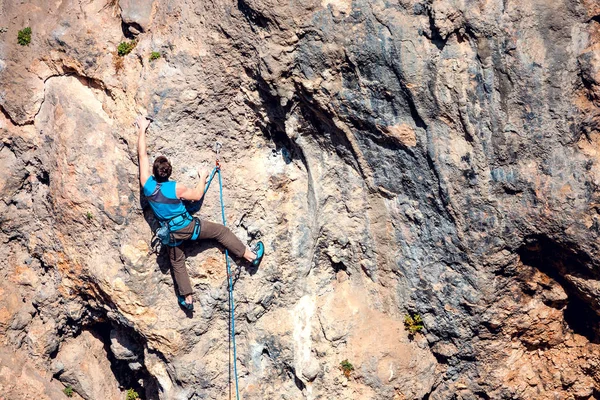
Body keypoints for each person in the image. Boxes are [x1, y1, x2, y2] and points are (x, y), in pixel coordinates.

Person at [135, 116, 264, 311]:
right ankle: (250, 256)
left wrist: (141, 129)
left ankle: (187, 299)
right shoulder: (176, 188)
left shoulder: (147, 184)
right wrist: (203, 177)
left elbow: (141, 155)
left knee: (177, 261)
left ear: (154, 172)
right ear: (169, 172)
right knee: (221, 232)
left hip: (169, 234)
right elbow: (196, 195)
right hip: (187, 227)